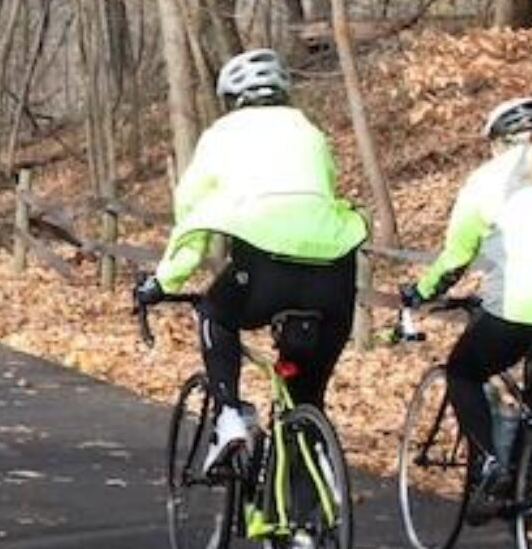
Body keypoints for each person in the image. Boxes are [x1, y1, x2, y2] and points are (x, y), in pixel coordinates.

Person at [135, 49, 369, 474]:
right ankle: (307, 527)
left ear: (233, 98)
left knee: (214, 314)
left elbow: (193, 216)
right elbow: (326, 190)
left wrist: (163, 281)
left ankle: (228, 418)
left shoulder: (222, 135)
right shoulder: (310, 131)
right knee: (306, 399)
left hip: (267, 268)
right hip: (335, 275)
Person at [400, 96, 532, 522]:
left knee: (463, 371)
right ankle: (523, 485)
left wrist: (421, 292)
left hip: (524, 303)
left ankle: (491, 467)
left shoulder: (487, 178)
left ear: (498, 141)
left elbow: (457, 255)